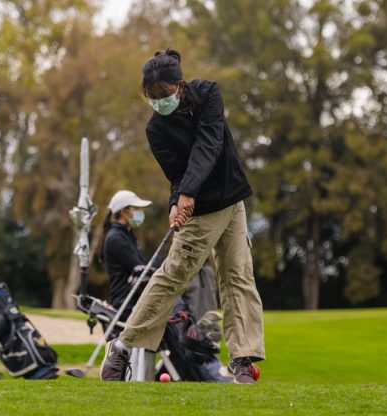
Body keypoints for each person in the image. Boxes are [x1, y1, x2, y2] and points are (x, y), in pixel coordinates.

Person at [100, 48, 265, 384]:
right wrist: (178, 200)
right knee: (172, 277)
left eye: (165, 94)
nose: (160, 101)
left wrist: (186, 191)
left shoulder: (208, 94)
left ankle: (242, 358)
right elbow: (176, 173)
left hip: (232, 201)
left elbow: (210, 143)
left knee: (238, 276)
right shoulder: (156, 130)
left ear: (180, 85)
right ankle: (122, 345)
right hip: (201, 212)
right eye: (153, 97)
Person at [100, 190, 153, 322]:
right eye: (135, 208)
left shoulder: (127, 234)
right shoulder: (116, 238)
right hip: (126, 304)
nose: (139, 212)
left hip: (135, 301)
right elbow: (139, 269)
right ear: (124, 211)